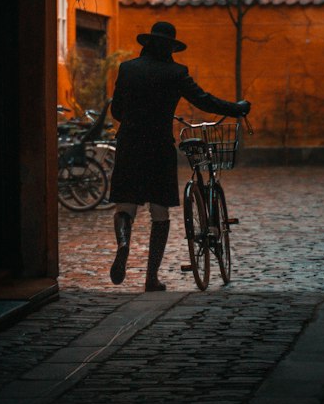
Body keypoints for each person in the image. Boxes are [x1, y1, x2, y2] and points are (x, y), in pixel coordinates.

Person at [107, 21, 250, 291]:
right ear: (170, 47)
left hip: (129, 142)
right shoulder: (176, 72)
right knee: (159, 212)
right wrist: (236, 109)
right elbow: (203, 100)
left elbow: (117, 110)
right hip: (159, 145)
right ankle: (151, 278)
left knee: (125, 205)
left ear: (146, 44)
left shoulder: (127, 69)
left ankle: (124, 244)